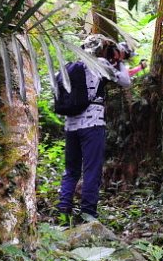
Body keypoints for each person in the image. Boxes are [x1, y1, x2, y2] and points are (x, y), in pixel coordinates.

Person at [56, 35, 132, 223]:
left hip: (71, 125)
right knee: (91, 170)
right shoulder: (101, 64)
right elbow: (125, 81)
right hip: (92, 125)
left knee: (71, 170)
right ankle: (88, 213)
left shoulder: (70, 66)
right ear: (100, 49)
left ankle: (64, 212)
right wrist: (120, 61)